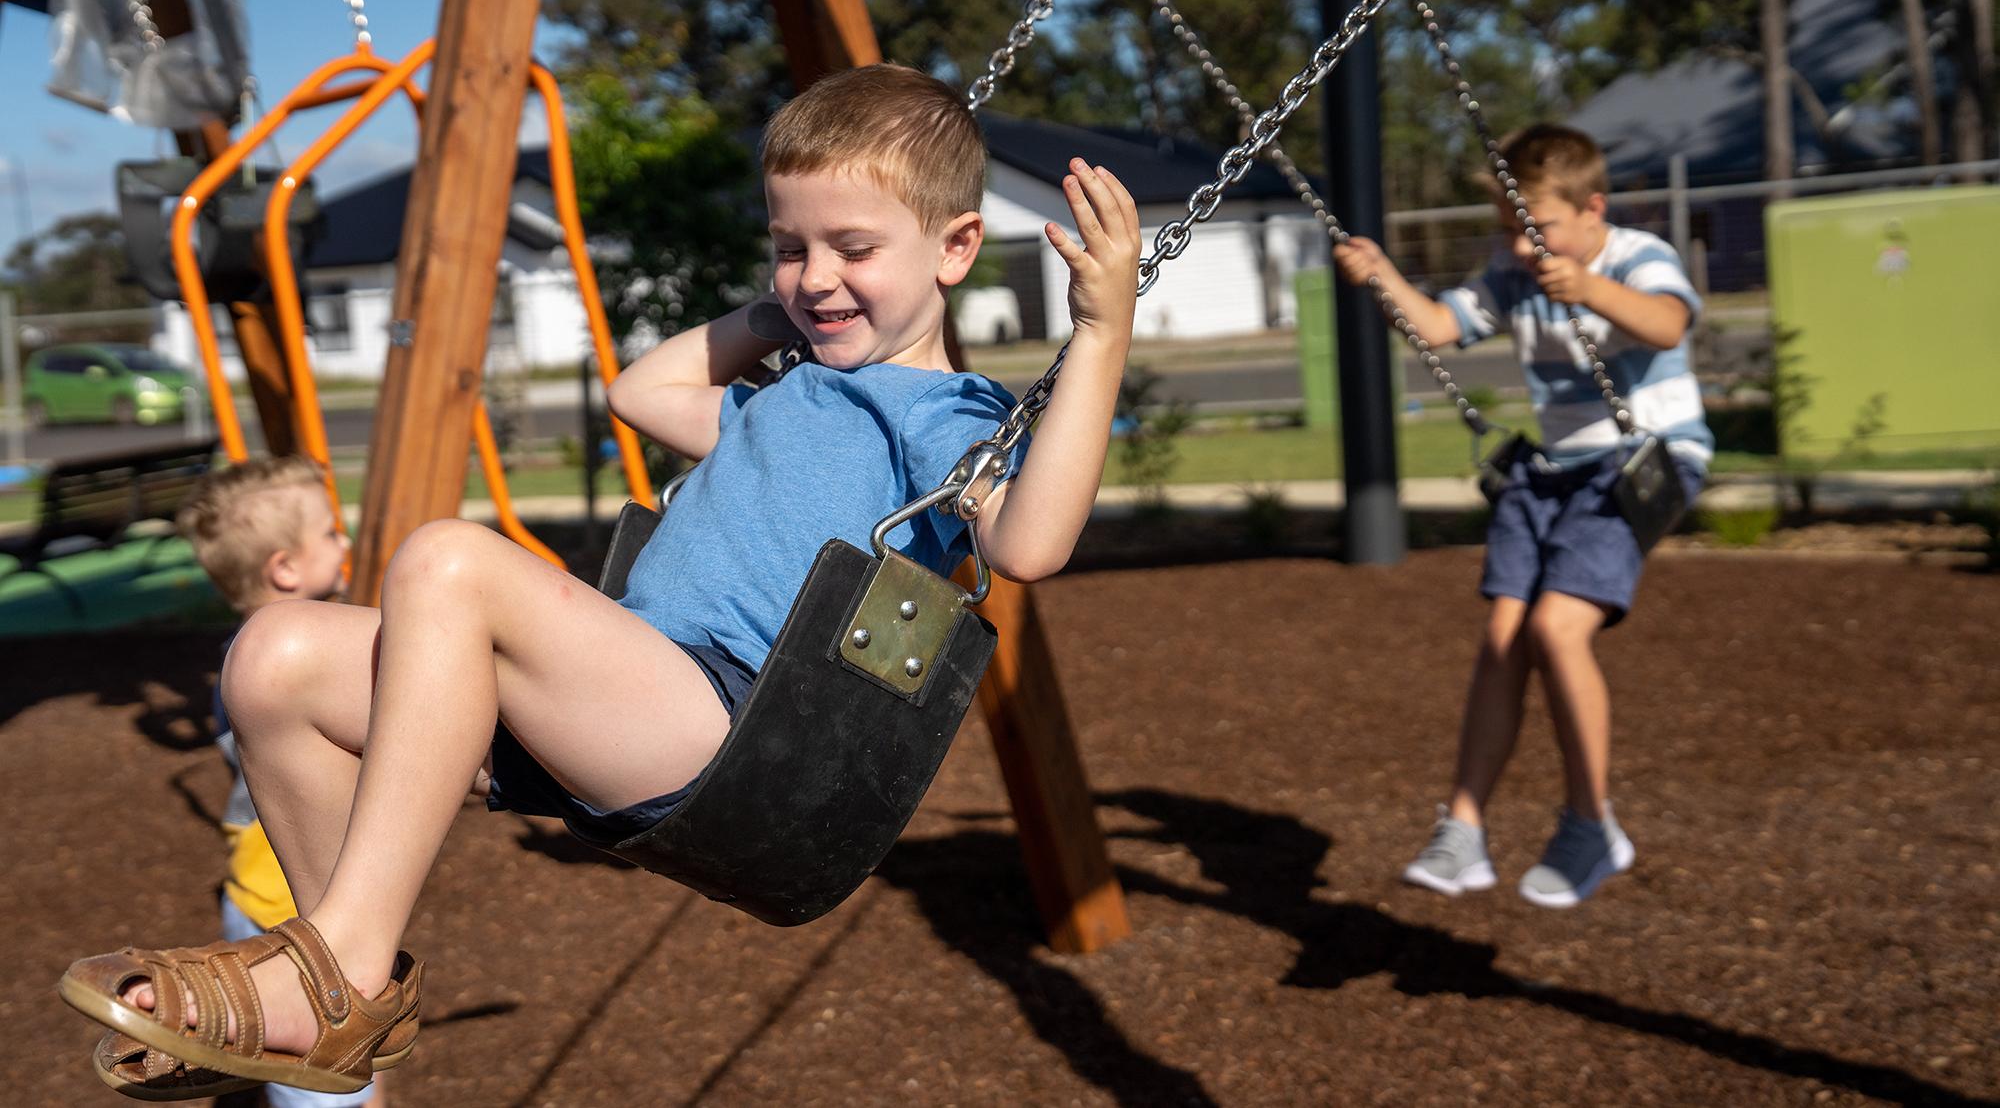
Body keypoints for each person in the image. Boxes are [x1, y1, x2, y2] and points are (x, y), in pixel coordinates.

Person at [58, 63, 1143, 1096]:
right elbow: (642, 391)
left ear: (955, 248)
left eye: (851, 247)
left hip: (734, 729)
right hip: (612, 706)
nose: (813, 277)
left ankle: (332, 965)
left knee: (448, 557)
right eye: (788, 247)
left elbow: (1029, 546)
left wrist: (1099, 331)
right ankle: (354, 998)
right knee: (274, 656)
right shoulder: (785, 394)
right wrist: (775, 321)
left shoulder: (945, 417)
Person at [1332, 123, 1711, 908]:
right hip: (1559, 469)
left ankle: (1589, 823)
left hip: (1645, 458)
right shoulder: (1513, 271)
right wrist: (1381, 276)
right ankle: (1465, 829)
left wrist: (1590, 287)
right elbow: (1438, 325)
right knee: (1504, 633)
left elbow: (1670, 324)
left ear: (1592, 207)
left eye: (1535, 227)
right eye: (1509, 228)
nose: (1519, 243)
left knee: (1555, 628)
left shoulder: (1637, 255)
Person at [90, 455, 380, 1103]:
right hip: (294, 899)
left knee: (352, 1049)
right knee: (324, 1068)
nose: (346, 541)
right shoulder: (277, 668)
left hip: (261, 886)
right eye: (331, 531)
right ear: (285, 567)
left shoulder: (249, 655)